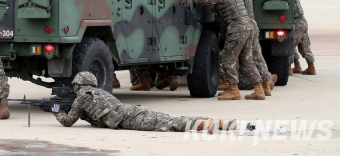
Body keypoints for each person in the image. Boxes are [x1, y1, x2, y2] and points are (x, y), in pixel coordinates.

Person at [54, 72, 236, 133]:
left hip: (127, 119)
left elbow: (68, 121)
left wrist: (57, 111)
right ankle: (215, 123)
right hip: (131, 111)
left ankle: (203, 124)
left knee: (167, 124)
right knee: (166, 119)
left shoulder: (82, 97)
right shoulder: (99, 92)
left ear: (79, 85)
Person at [193, 0, 263, 100]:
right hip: (247, 26)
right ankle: (259, 89)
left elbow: (198, 0)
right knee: (247, 60)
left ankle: (234, 90)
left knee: (227, 59)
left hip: (236, 27)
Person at [227, 0, 275, 96]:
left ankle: (231, 83)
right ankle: (266, 84)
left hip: (243, 25)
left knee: (242, 58)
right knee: (256, 56)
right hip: (252, 24)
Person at [291, 0, 316, 75]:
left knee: (289, 44)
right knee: (304, 45)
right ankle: (310, 66)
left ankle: (288, 68)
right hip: (302, 21)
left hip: (296, 22)